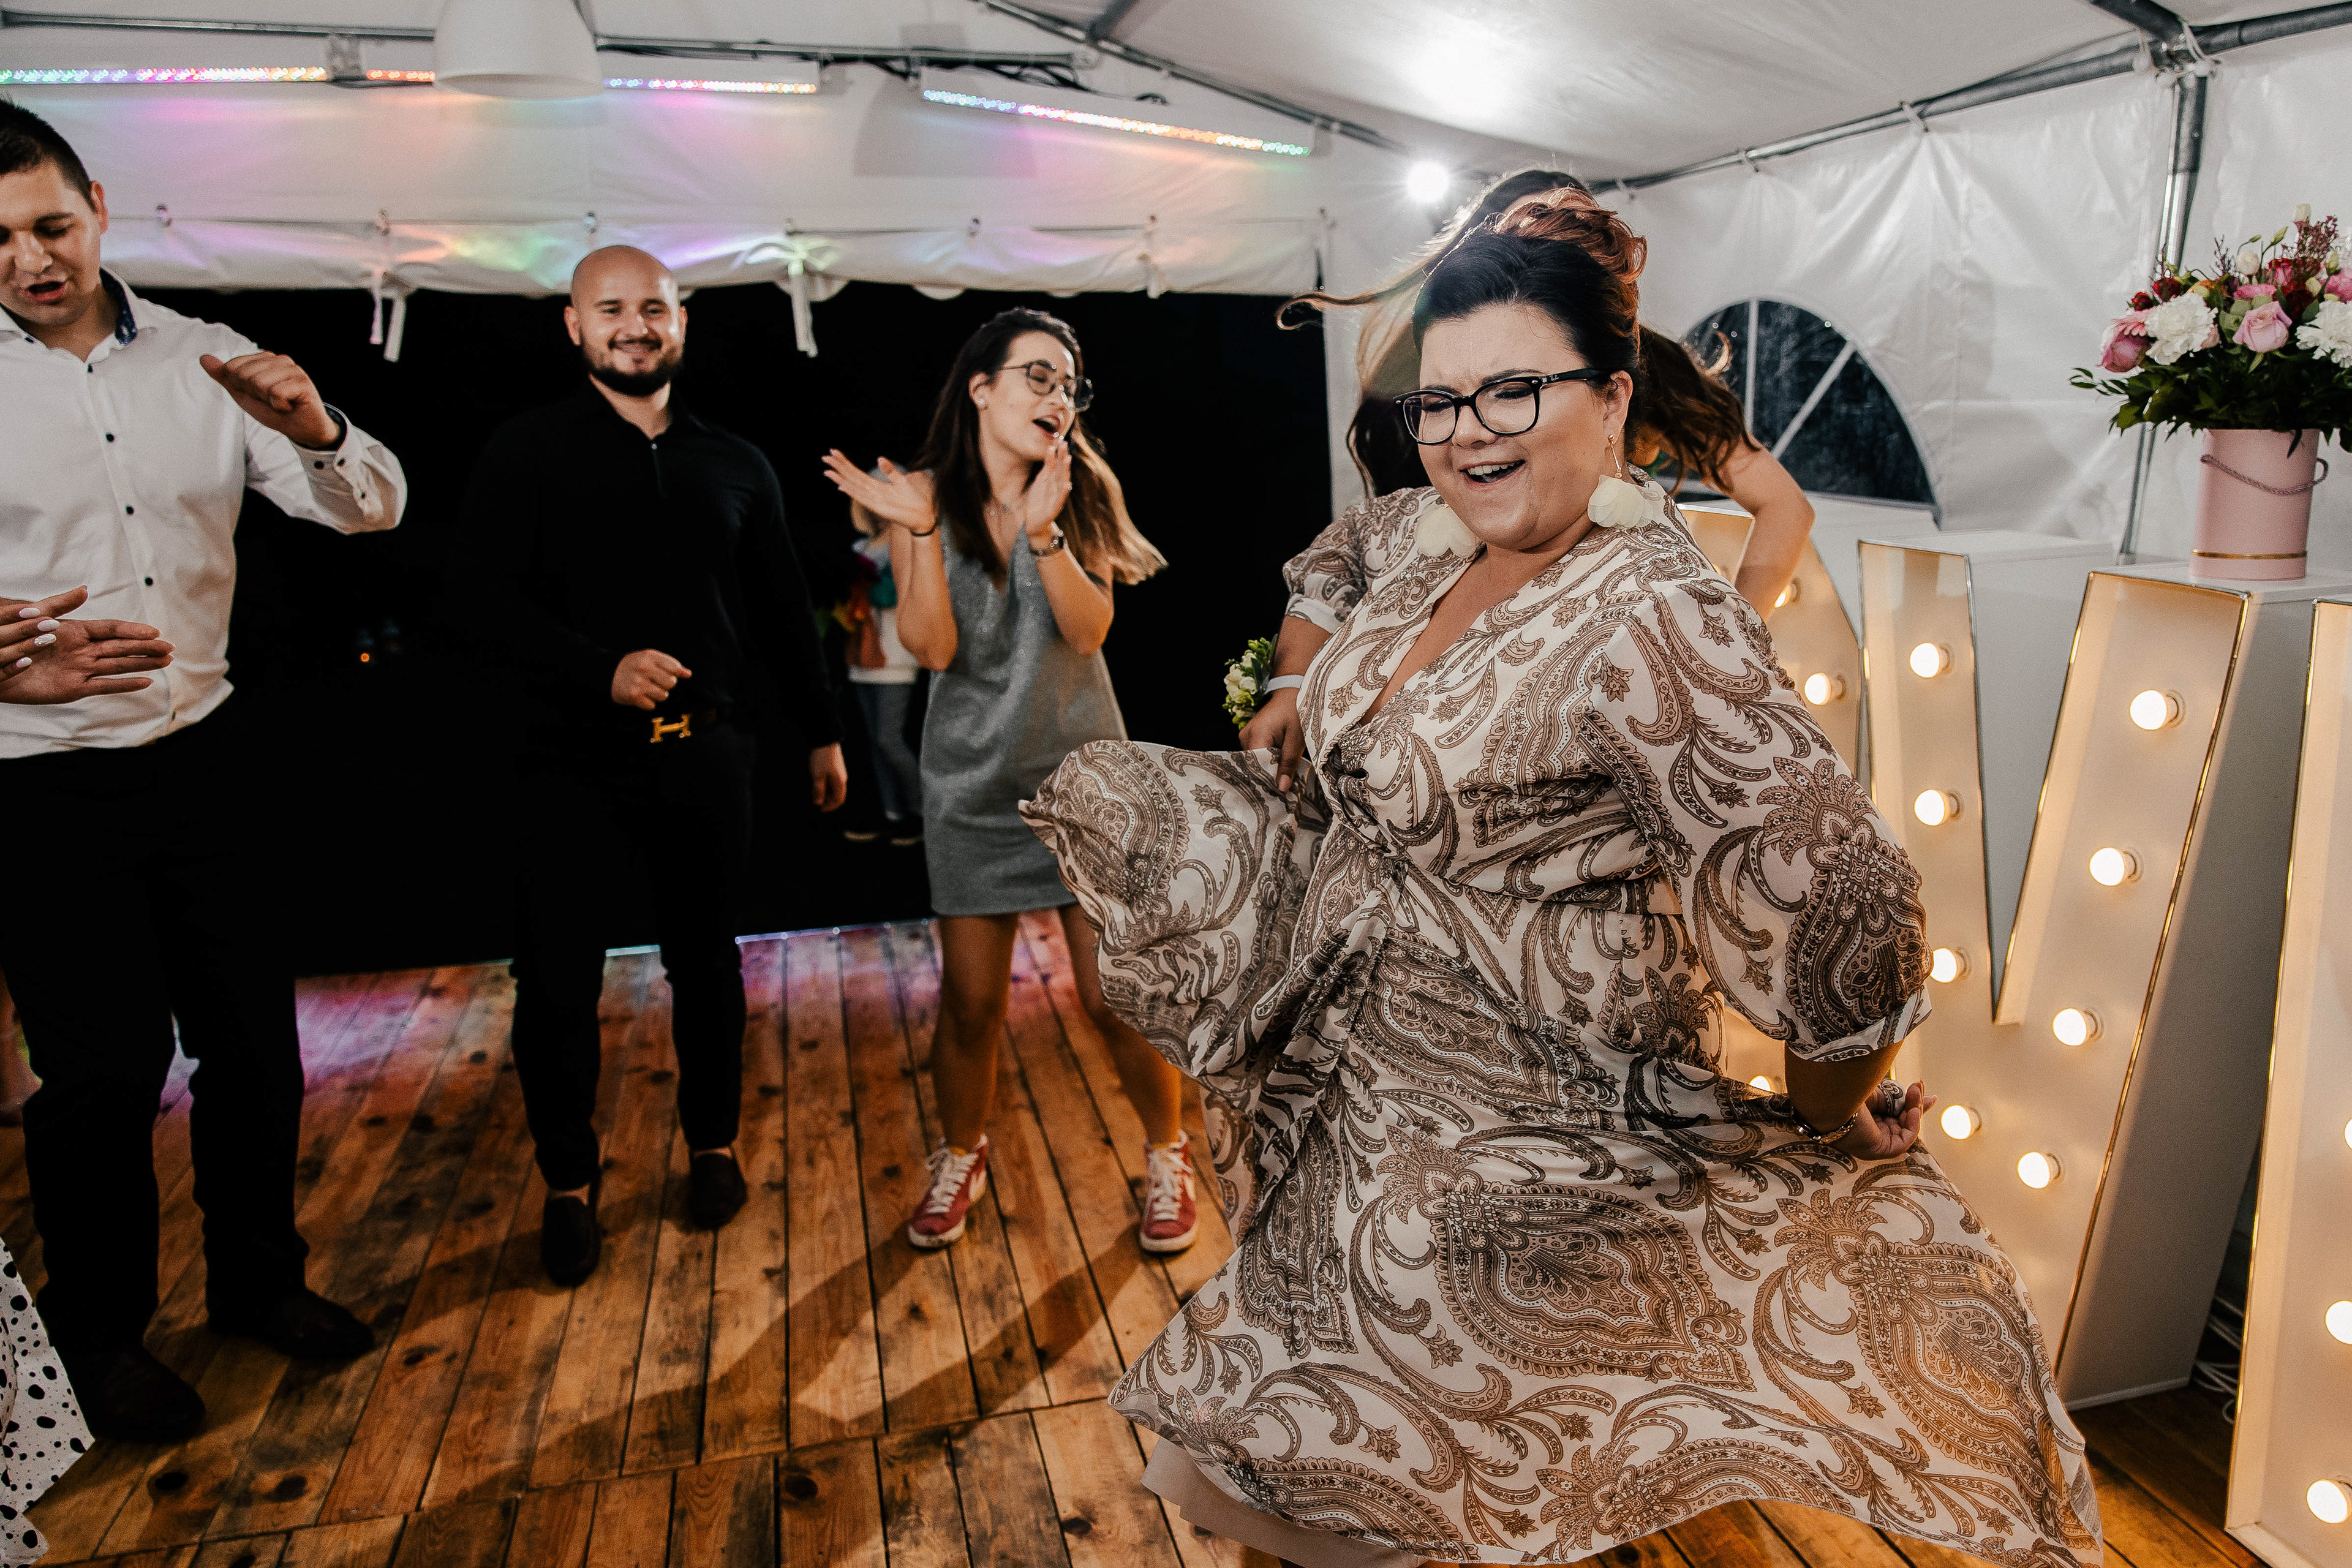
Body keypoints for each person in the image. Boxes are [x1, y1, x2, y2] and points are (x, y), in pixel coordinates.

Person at [1023, 199, 2100, 1567]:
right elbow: (1338, 567)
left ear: (1616, 398)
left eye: (1516, 390)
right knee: (1293, 1517)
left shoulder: (1650, 611)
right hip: (1348, 1139)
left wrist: (1827, 1110)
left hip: (1502, 1201)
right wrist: (1297, 684)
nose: (1468, 430)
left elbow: (1846, 902)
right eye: (1441, 401)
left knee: (1411, 1530)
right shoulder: (1439, 545)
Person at [0, 100, 402, 1442]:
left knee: (255, 1051)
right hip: (42, 781)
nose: (31, 258)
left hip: (208, 754)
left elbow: (373, 507)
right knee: (102, 1076)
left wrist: (318, 427)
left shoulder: (203, 355)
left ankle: (257, 1284)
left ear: (99, 208)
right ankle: (101, 1335)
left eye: (51, 223)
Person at [458, 246, 848, 1287]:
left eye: (654, 308)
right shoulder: (525, 451)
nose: (635, 326)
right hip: (564, 764)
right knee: (556, 983)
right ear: (575, 326)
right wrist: (600, 669)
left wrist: (823, 731)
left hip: (708, 757)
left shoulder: (737, 462)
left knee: (708, 965)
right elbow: (480, 604)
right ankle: (569, 1184)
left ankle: (712, 1147)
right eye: (612, 309)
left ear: (682, 321)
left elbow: (783, 612)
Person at [821, 309, 1197, 1257]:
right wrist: (916, 533)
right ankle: (962, 1153)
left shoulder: (1077, 489)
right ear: (981, 388)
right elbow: (931, 647)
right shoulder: (924, 499)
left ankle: (1169, 1151)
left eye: (1070, 384)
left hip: (1083, 788)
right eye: (1038, 376)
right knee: (970, 1006)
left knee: (1112, 1000)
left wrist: (1043, 534)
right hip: (972, 789)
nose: (1058, 396)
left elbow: (1088, 631)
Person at [1322, 168, 1813, 613]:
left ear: (1614, 399)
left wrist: (1734, 630)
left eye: (1515, 391)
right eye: (1533, 238)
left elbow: (1784, 504)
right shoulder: (1414, 363)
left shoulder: (1651, 365)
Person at [843, 493, 925, 847]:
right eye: (871, 507)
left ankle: (924, 813)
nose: (878, 514)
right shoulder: (860, 546)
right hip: (863, 650)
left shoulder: (911, 542)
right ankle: (893, 815)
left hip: (897, 652)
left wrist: (864, 583)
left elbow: (894, 596)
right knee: (875, 743)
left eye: (883, 505)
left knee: (888, 739)